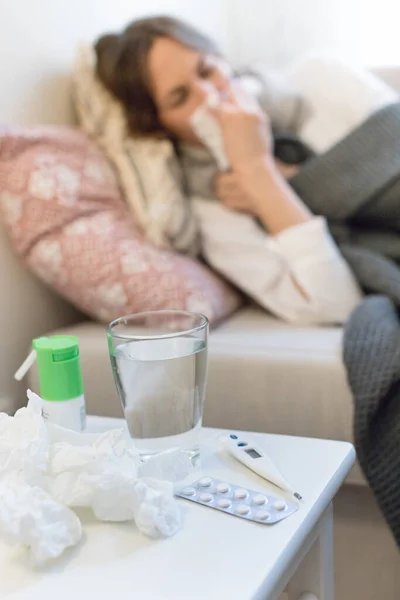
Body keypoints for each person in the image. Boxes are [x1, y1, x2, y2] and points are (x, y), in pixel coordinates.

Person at [94, 16, 362, 325]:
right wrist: (257, 171)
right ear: (159, 126)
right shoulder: (212, 207)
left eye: (207, 70)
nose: (210, 96)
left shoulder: (320, 76)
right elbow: (335, 306)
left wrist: (297, 180)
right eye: (181, 98)